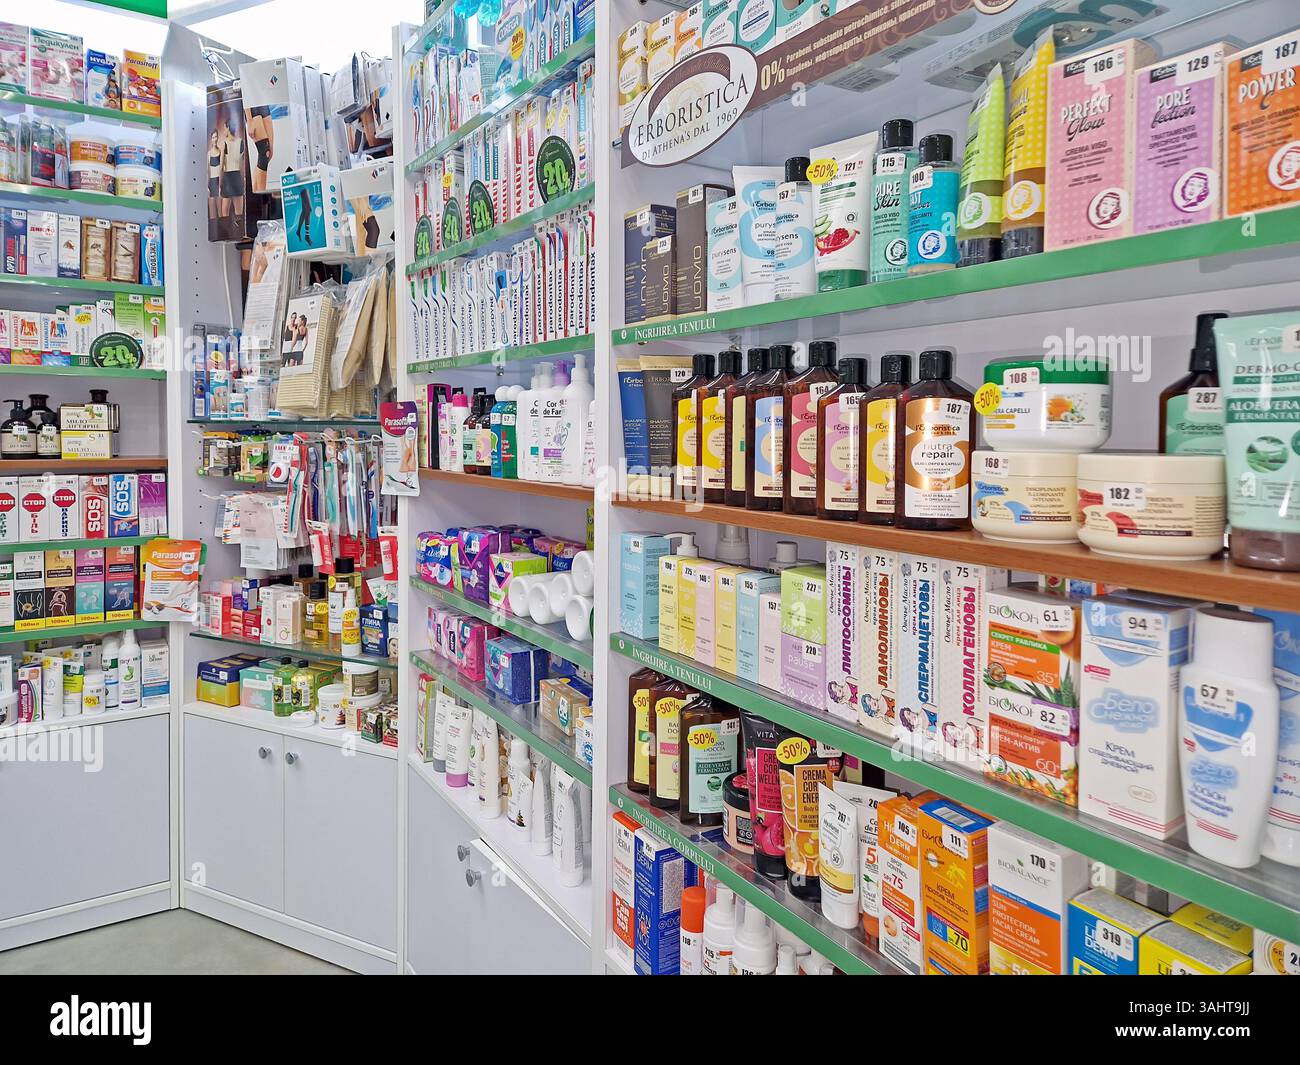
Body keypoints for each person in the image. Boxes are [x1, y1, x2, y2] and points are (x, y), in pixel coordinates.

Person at [245, 104, 274, 192]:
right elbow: (245, 93)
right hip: (252, 108)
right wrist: (249, 120)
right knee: (264, 153)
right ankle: (261, 195)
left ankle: (254, 191)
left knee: (269, 154)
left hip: (263, 105)